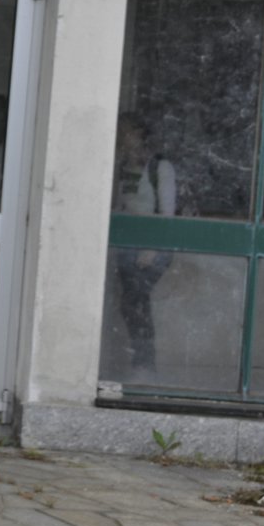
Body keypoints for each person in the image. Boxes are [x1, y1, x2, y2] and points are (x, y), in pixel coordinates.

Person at [110, 112, 176, 373]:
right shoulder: (122, 167)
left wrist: (152, 247)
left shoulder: (160, 168)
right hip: (127, 245)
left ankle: (144, 361)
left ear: (139, 135)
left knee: (136, 298)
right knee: (129, 301)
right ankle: (141, 359)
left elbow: (167, 215)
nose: (122, 140)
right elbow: (118, 205)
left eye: (126, 133)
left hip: (152, 246)